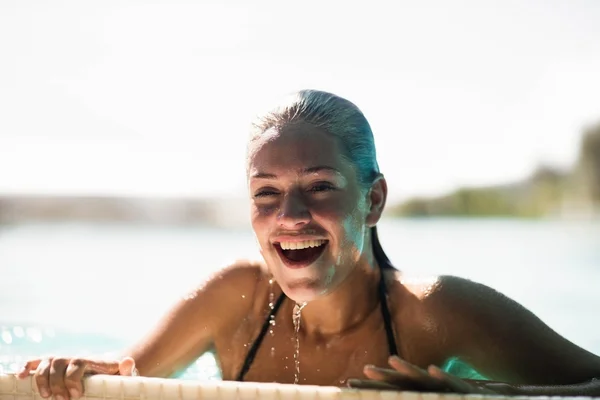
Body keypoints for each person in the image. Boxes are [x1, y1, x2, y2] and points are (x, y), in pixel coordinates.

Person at [18, 90, 600, 398]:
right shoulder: (233, 300)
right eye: (266, 193)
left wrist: (483, 395)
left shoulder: (436, 314)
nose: (290, 217)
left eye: (319, 187)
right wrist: (74, 372)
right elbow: (123, 376)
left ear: (372, 202)